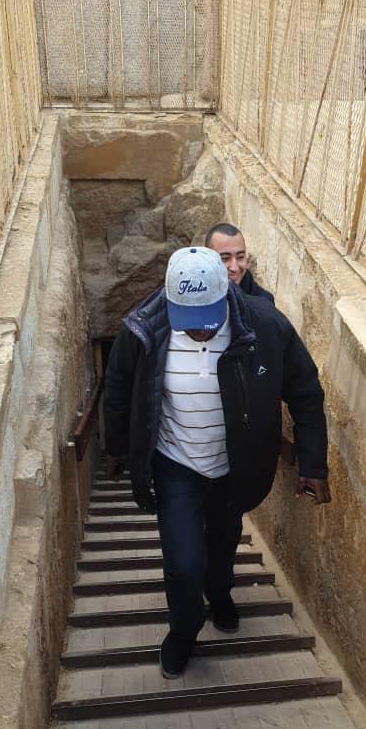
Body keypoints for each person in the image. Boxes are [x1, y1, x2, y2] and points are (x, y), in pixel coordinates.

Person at [104, 246, 331, 679]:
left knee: (224, 540)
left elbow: (305, 392)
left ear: (226, 292)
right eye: (188, 321)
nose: (199, 332)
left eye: (208, 320)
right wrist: (117, 448)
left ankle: (221, 593)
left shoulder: (266, 326)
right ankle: (184, 631)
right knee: (183, 562)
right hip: (176, 463)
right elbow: (118, 388)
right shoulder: (143, 329)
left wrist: (312, 464)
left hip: (234, 463)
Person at [205, 223, 275, 303]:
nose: (235, 268)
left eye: (240, 257)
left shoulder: (264, 302)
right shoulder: (195, 294)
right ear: (207, 259)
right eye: (225, 258)